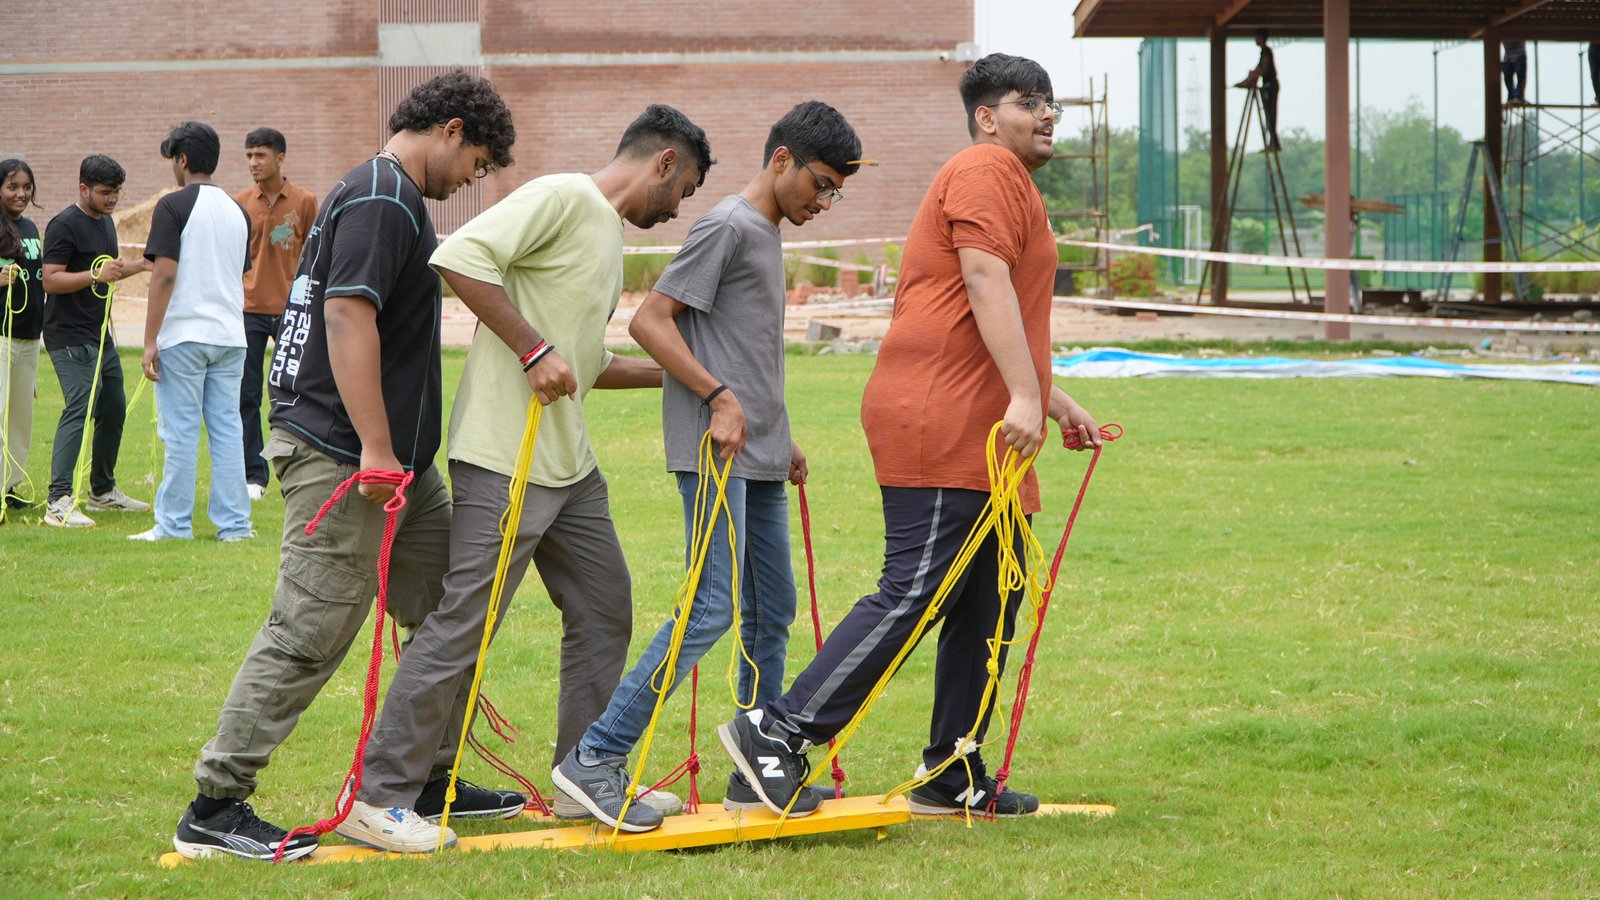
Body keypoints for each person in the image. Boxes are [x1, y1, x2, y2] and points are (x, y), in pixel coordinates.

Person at [716, 53, 1103, 820]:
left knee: (992, 595)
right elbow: (983, 279)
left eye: (1051, 103)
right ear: (987, 117)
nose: (1047, 114)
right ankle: (775, 733)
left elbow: (966, 307)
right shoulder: (985, 167)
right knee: (915, 590)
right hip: (940, 413)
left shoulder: (1012, 182)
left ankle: (951, 770)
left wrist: (1051, 400)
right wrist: (1027, 394)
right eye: (1029, 101)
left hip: (983, 419)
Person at [346, 103, 716, 853]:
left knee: (605, 606)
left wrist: (693, 377)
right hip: (503, 457)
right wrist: (531, 348)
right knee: (465, 622)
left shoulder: (605, 232)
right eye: (685, 190)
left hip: (570, 466)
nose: (679, 209)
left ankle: (586, 773)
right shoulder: (563, 195)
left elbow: (588, 364)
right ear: (664, 163)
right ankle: (377, 796)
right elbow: (459, 257)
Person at [171, 70, 517, 862]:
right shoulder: (383, 196)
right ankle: (215, 808)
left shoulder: (383, 193)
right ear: (452, 131)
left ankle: (421, 778)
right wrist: (377, 448)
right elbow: (345, 314)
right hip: (345, 455)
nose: (471, 181)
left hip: (398, 464)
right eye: (477, 163)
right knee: (310, 630)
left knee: (455, 608)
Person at [553, 100, 862, 833]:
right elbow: (650, 321)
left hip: (759, 455)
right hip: (716, 452)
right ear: (781, 159)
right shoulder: (727, 224)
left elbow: (743, 348)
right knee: (712, 607)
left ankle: (758, 767)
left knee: (772, 610)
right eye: (820, 184)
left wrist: (778, 433)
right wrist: (720, 399)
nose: (823, 202)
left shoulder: (764, 233)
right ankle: (596, 755)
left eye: (835, 193)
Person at [132, 122, 253, 542]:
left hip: (185, 334)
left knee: (181, 432)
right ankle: (235, 526)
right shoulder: (238, 211)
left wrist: (150, 340)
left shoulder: (173, 205)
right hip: (231, 336)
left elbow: (164, 275)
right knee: (228, 430)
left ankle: (173, 525)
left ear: (182, 160)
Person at [40, 155, 151, 528]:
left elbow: (107, 272)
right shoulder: (64, 225)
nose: (112, 199)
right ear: (83, 188)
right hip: (67, 335)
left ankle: (102, 492)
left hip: (99, 333)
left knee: (114, 406)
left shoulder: (105, 222)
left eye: (117, 192)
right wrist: (94, 275)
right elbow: (51, 279)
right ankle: (57, 501)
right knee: (79, 406)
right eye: (105, 192)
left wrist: (142, 265)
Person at [235, 127, 318, 501]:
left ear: (280, 158)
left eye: (261, 155)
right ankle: (254, 475)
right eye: (249, 156)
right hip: (248, 312)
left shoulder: (305, 201)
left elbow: (316, 258)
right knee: (247, 395)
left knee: (297, 394)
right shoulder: (239, 204)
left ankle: (300, 469)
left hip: (292, 311)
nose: (253, 163)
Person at [1, 159, 45, 519]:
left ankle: (8, 487)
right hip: (1, 336)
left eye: (27, 187)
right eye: (12, 187)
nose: (21, 194)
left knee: (20, 420)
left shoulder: (30, 227)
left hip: (30, 338)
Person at [1235, 29, 1281, 153]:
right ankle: (1272, 143)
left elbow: (1263, 69)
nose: (1255, 40)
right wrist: (1250, 77)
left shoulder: (1266, 51)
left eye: (1256, 37)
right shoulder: (1263, 52)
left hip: (1270, 86)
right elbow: (1259, 68)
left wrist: (1251, 78)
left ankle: (1274, 144)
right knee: (1269, 115)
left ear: (1261, 38)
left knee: (1270, 115)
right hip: (1268, 85)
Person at [1503, 40, 1528, 105]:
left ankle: (1518, 97)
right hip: (1508, 56)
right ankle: (1512, 97)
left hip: (1519, 54)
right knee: (1507, 78)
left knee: (1520, 77)